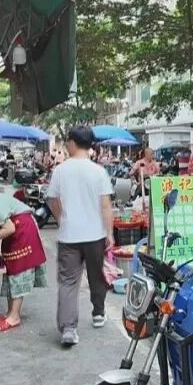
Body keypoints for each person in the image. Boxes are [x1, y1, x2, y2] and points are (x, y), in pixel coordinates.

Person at [47, 126, 114, 347]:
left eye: (68, 140)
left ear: (74, 142)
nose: (66, 144)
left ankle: (68, 328)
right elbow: (106, 206)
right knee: (97, 275)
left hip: (69, 236)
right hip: (95, 234)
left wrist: (61, 218)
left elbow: (53, 200)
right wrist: (110, 233)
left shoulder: (60, 170)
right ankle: (98, 312)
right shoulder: (99, 172)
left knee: (68, 282)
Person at [0, 187, 48, 332]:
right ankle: (10, 313)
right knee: (11, 270)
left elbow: (9, 229)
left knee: (18, 271)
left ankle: (14, 316)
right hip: (16, 229)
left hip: (22, 230)